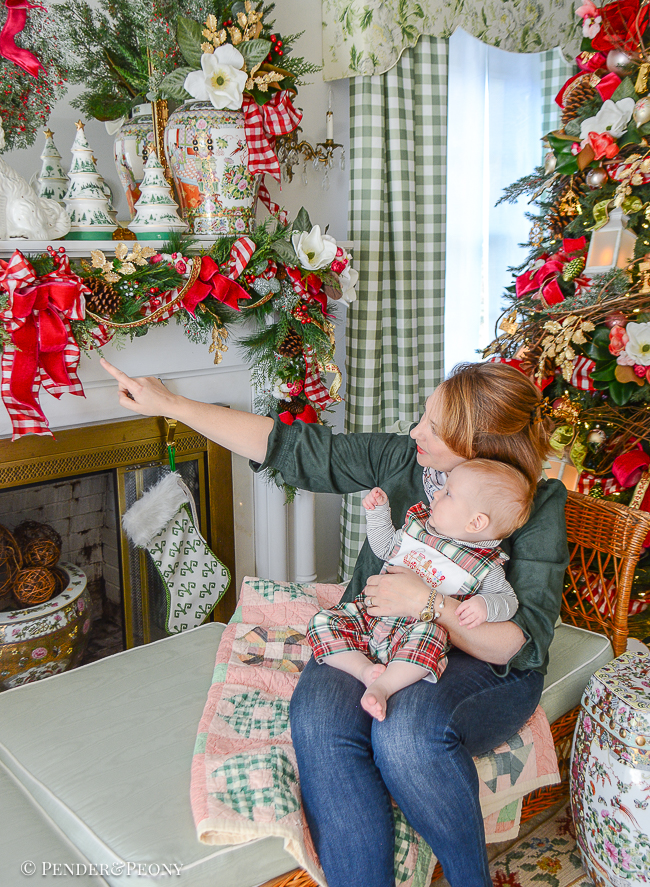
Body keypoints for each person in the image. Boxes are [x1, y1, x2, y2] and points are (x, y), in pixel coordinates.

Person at [100, 357, 568, 887]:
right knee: (321, 720)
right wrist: (171, 406)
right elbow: (294, 450)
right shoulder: (405, 461)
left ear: (480, 449)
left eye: (434, 429)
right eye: (423, 417)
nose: (415, 432)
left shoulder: (534, 505)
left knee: (406, 735)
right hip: (378, 636)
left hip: (483, 665)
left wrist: (428, 604)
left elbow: (514, 645)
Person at [307, 459, 533, 721]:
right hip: (371, 616)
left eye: (448, 493)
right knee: (321, 621)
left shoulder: (484, 566)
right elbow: (384, 548)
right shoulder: (420, 528)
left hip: (413, 633)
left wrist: (485, 606)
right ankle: (363, 671)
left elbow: (508, 601)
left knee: (432, 637)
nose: (436, 493)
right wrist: (379, 513)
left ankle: (383, 687)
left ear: (476, 522)